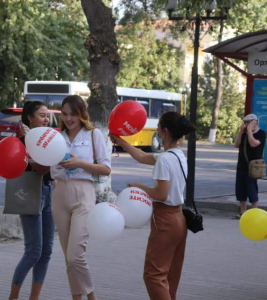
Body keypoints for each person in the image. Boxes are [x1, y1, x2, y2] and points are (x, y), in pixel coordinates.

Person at [110, 111, 196, 300]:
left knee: (154, 275)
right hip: (179, 220)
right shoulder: (177, 156)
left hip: (165, 220)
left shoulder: (165, 160)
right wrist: (120, 140)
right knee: (170, 276)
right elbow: (141, 157)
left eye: (158, 128)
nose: (156, 131)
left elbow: (161, 194)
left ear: (165, 131)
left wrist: (139, 187)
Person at [50, 95, 111, 300]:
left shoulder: (93, 135)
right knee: (68, 258)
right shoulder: (56, 137)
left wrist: (80, 164)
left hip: (84, 194)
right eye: (65, 114)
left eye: (73, 114)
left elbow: (105, 168)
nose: (68, 118)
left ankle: (91, 297)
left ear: (81, 114)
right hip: (59, 194)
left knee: (75, 256)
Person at [8, 101, 55, 300]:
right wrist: (30, 139)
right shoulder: (21, 141)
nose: (46, 119)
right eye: (42, 115)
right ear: (30, 117)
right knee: (33, 251)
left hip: (49, 191)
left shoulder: (50, 139)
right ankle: (13, 297)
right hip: (29, 193)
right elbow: (42, 168)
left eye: (47, 116)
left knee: (46, 252)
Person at [233, 113, 266, 219]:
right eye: (245, 122)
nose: (245, 124)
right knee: (240, 190)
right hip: (241, 166)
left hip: (253, 167)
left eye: (248, 122)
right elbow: (236, 144)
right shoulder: (243, 133)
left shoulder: (261, 133)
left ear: (254, 122)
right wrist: (241, 132)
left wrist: (249, 132)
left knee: (252, 190)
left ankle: (255, 213)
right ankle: (243, 213)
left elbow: (253, 143)